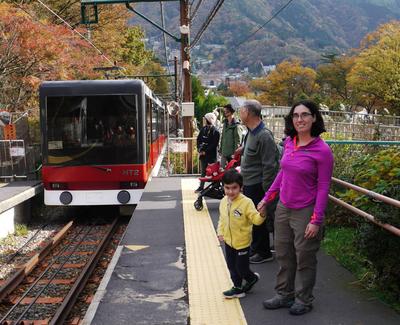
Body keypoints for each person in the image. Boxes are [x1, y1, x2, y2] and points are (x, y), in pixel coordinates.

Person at [257, 100, 334, 315]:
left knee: (305, 258)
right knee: (283, 254)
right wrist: (266, 199)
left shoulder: (322, 151)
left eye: (305, 115)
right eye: (296, 115)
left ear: (314, 118)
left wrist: (316, 219)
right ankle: (284, 294)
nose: (299, 119)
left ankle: (304, 299)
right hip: (283, 207)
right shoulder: (290, 143)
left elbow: (323, 186)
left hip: (305, 210)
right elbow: (283, 174)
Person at [235, 99, 280, 264]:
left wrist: (267, 193)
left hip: (259, 185)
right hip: (249, 183)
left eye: (241, 110)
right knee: (252, 218)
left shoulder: (264, 135)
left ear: (248, 112)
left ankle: (264, 252)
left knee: (259, 218)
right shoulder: (250, 132)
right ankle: (256, 247)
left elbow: (270, 166)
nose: (240, 113)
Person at [217, 169, 265, 298]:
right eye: (227, 188)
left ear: (241, 187)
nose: (230, 191)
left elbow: (256, 219)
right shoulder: (223, 201)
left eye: (234, 188)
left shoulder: (246, 202)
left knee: (241, 268)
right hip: (228, 241)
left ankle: (251, 278)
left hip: (242, 242)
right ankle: (237, 287)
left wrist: (262, 214)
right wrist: (220, 232)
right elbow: (222, 219)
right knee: (231, 265)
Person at [195, 112, 220, 193]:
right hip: (203, 155)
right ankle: (201, 187)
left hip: (211, 155)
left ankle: (214, 188)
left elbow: (214, 144)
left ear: (208, 120)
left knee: (213, 173)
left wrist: (205, 151)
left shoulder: (216, 131)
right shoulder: (203, 129)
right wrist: (199, 149)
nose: (204, 120)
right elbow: (198, 139)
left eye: (205, 119)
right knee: (203, 172)